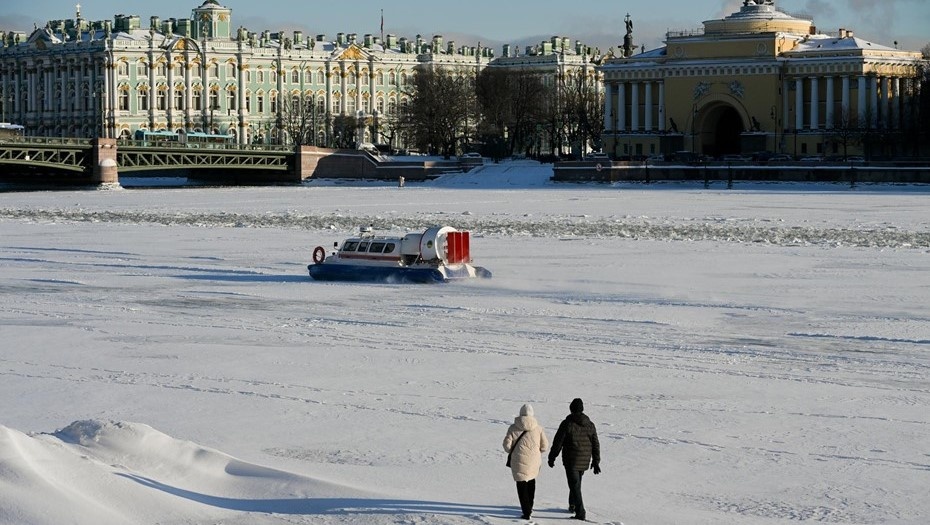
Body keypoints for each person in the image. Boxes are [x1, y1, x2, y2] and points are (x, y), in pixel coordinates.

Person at [548, 398, 600, 521]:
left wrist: (552, 457)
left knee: (575, 485)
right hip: (584, 460)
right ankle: (572, 504)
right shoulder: (590, 424)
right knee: (576, 483)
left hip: (571, 460)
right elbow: (595, 443)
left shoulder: (567, 424)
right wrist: (596, 461)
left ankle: (580, 512)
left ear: (571, 409)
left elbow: (558, 442)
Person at [503, 403, 549, 521]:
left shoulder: (513, 428)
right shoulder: (538, 428)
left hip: (519, 461)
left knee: (521, 485)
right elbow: (544, 447)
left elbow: (507, 446)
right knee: (531, 482)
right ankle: (530, 507)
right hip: (534, 461)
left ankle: (526, 511)